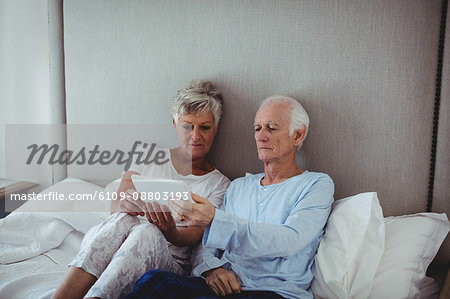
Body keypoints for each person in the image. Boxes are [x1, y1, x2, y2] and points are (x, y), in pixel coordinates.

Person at [125, 96, 335, 299]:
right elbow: (206, 244)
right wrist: (210, 269)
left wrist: (215, 219)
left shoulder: (316, 185)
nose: (261, 136)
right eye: (257, 128)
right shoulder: (238, 187)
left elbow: (289, 241)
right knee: (154, 281)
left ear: (298, 135)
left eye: (271, 128)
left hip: (272, 291)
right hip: (223, 284)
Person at [52, 80, 231, 299]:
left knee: (147, 231)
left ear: (216, 129)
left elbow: (195, 236)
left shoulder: (219, 184)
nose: (195, 136)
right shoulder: (148, 156)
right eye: (187, 126)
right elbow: (116, 205)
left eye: (204, 127)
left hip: (170, 261)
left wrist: (169, 231)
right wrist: (125, 205)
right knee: (123, 219)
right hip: (121, 241)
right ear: (175, 124)